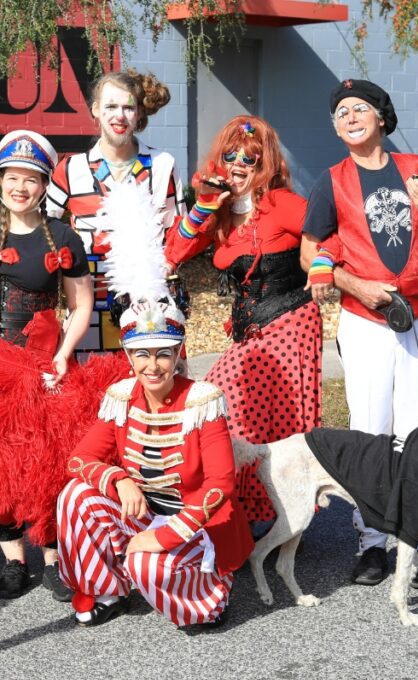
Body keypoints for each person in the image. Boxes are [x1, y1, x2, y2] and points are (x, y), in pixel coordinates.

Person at [300, 79, 418, 589]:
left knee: (417, 432)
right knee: (370, 430)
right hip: (365, 321)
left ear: (381, 117)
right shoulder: (330, 181)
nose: (349, 117)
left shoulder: (417, 170)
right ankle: (370, 543)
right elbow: (310, 253)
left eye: (360, 108)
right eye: (340, 112)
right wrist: (353, 282)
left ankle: (410, 545)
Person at [55, 180, 254, 628]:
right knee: (75, 497)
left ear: (179, 353)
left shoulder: (202, 402)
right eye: (142, 354)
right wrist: (119, 480)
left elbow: (221, 483)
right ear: (129, 357)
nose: (153, 366)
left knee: (149, 562)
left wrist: (164, 535)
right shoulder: (121, 399)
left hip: (196, 524)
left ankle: (208, 595)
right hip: (144, 511)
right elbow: (79, 460)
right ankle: (108, 587)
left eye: (163, 352)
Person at [0, 130, 94, 599]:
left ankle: (51, 558)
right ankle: (13, 562)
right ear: (0, 181)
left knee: (45, 460)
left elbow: (81, 303)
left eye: (31, 179)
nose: (21, 187)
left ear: (44, 183)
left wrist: (65, 356)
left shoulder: (65, 236)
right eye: (13, 177)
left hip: (40, 365)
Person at [164, 115, 322, 529]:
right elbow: (174, 252)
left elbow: (326, 229)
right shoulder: (219, 212)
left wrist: (322, 266)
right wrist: (202, 206)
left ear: (264, 164)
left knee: (261, 418)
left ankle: (278, 510)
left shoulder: (281, 203)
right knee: (229, 416)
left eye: (249, 159)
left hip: (291, 323)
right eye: (230, 156)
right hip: (250, 334)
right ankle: (248, 512)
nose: (237, 164)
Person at [46, 69, 185, 352]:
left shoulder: (161, 165)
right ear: (95, 110)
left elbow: (179, 236)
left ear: (139, 113)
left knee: (152, 387)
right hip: (88, 305)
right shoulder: (71, 169)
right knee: (89, 391)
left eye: (128, 107)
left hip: (149, 307)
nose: (119, 116)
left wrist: (163, 275)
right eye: (110, 106)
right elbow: (42, 230)